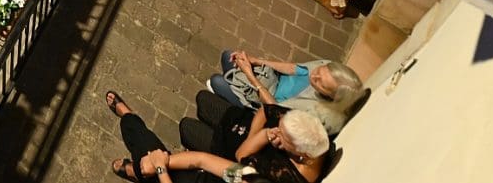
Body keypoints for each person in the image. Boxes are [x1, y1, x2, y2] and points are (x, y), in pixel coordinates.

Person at [104, 90, 331, 183]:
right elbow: (204, 161)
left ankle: (134, 159)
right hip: (206, 178)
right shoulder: (246, 176)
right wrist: (163, 161)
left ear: (302, 154)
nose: (276, 135)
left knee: (149, 164)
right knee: (150, 156)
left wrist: (161, 169)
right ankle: (136, 164)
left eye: (283, 139)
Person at [210, 49, 364, 136]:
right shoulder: (327, 66)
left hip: (264, 101)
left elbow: (274, 110)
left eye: (320, 83)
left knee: (217, 81)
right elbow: (294, 68)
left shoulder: (315, 113)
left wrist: (249, 74)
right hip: (271, 79)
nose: (314, 76)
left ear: (331, 96)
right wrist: (258, 61)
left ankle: (231, 93)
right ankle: (232, 82)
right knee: (228, 55)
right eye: (319, 71)